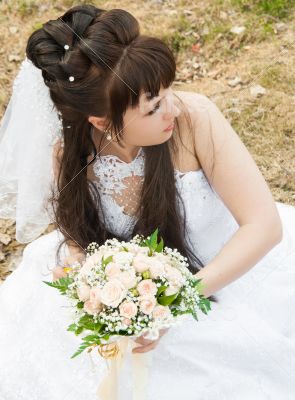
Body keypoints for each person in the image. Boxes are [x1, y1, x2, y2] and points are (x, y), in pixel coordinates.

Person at [0, 5, 294, 399]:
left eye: (168, 89)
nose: (171, 108)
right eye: (153, 106)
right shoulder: (69, 154)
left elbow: (263, 225)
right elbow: (76, 236)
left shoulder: (194, 120)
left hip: (221, 273)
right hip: (132, 293)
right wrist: (92, 283)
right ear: (102, 122)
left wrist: (174, 302)